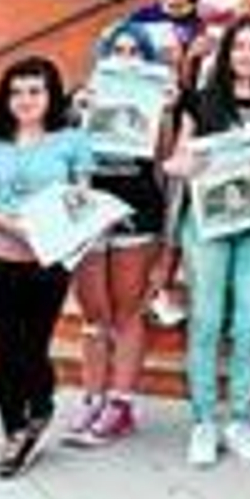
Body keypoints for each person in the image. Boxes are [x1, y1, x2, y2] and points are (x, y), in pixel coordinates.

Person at [162, 17, 250, 468]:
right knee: (207, 320)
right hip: (207, 224)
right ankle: (204, 421)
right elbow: (175, 159)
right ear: (227, 53)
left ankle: (240, 418)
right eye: (240, 47)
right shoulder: (202, 99)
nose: (247, 55)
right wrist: (188, 164)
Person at [0, 56, 92, 478]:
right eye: (16, 91)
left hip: (46, 262)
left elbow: (80, 199)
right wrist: (4, 222)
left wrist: (67, 222)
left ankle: (41, 400)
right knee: (6, 351)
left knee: (33, 347)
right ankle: (15, 435)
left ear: (51, 95)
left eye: (35, 90)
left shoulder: (72, 141)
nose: (25, 100)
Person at [65, 22, 175, 448]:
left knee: (128, 310)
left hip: (137, 209)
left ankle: (121, 403)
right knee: (94, 314)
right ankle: (92, 396)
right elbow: (63, 150)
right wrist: (79, 111)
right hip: (89, 209)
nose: (126, 56)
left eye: (135, 50)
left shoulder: (159, 99)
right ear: (104, 55)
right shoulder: (82, 95)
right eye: (118, 49)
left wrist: (164, 113)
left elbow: (164, 160)